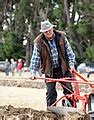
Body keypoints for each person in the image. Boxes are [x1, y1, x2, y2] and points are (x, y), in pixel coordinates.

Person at [29, 20, 76, 107]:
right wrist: (33, 72)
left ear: (52, 28)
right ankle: (51, 112)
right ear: (43, 32)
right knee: (51, 93)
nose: (48, 32)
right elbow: (35, 58)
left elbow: (70, 53)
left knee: (69, 91)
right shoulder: (39, 42)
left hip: (64, 69)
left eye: (49, 30)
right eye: (45, 31)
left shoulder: (61, 36)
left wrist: (71, 65)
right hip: (49, 71)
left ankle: (72, 111)